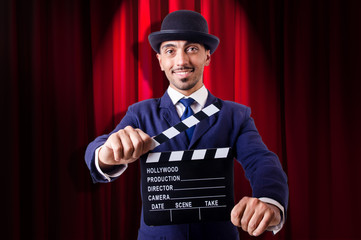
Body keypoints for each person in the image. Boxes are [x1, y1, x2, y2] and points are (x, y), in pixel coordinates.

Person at [85, 10, 288, 240]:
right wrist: (106, 154)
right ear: (160, 61)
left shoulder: (234, 115)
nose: (181, 60)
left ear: (207, 57)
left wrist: (270, 201)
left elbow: (262, 160)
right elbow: (98, 148)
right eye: (170, 51)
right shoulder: (141, 113)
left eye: (192, 49)